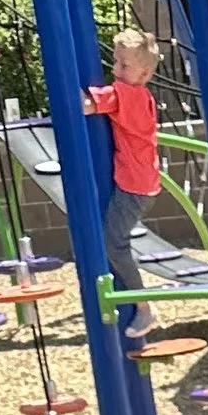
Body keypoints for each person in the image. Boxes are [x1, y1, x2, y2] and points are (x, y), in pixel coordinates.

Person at [83, 24, 162, 340]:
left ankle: (144, 308)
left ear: (143, 72)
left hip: (133, 185)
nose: (116, 70)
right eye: (114, 62)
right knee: (116, 240)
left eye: (124, 65)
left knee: (113, 244)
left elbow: (84, 106)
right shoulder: (139, 94)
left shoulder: (126, 94)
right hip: (142, 181)